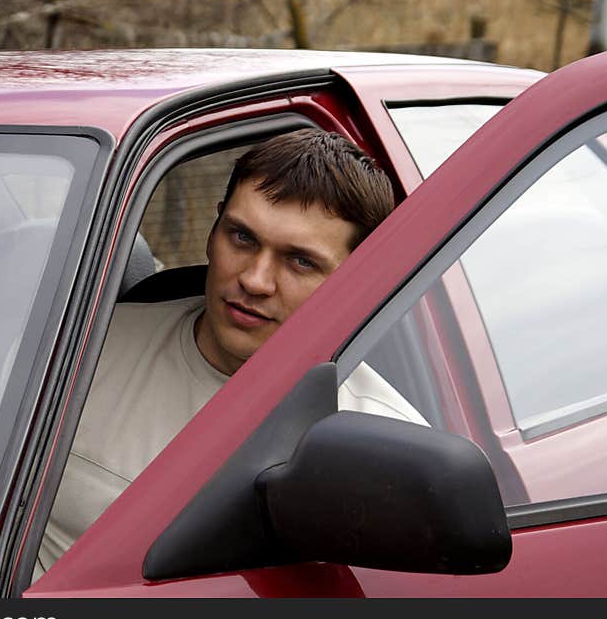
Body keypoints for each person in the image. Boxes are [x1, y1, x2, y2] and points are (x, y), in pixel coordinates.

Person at [34, 128, 426, 577]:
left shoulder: (384, 445)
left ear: (356, 279)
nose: (255, 280)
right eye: (242, 237)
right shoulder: (75, 356)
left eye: (300, 261)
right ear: (214, 229)